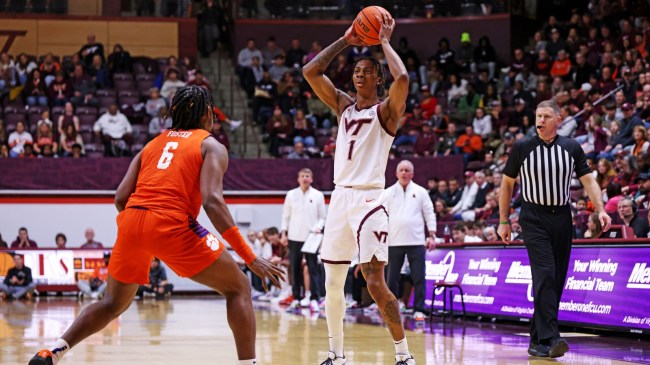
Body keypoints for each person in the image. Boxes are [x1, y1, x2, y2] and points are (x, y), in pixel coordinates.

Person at [28, 85, 284, 365]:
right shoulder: (211, 144)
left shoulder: (152, 144)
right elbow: (212, 202)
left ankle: (53, 352)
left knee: (111, 303)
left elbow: (120, 196)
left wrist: (145, 235)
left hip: (132, 221)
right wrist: (250, 257)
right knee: (238, 287)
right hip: (172, 224)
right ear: (208, 114)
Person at [303, 12, 416, 365]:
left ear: (377, 78)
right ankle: (336, 354)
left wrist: (382, 41)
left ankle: (403, 355)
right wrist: (346, 40)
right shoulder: (343, 106)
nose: (359, 74)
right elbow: (310, 72)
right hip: (339, 197)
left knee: (373, 281)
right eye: (356, 70)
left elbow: (404, 78)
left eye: (367, 70)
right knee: (331, 283)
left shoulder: (386, 113)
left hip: (369, 199)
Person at [498, 100, 612, 359]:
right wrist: (503, 221)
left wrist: (601, 209)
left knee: (556, 278)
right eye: (538, 116)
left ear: (558, 120)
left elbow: (588, 181)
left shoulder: (571, 147)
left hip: (562, 216)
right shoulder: (523, 147)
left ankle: (537, 340)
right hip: (533, 216)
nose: (540, 120)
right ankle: (552, 337)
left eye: (546, 116)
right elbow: (506, 185)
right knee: (546, 272)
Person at [384, 160, 436, 320]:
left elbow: (429, 212)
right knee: (391, 278)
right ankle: (392, 308)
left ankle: (419, 309)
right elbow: (381, 215)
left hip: (416, 241)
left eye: (407, 170)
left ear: (412, 174)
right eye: (401, 170)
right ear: (396, 173)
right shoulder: (388, 192)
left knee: (419, 276)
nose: (404, 173)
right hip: (394, 241)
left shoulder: (420, 191)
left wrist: (432, 234)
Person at [280, 168, 326, 311]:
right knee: (294, 268)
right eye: (302, 176)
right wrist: (283, 234)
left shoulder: (318, 195)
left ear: (311, 179)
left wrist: (318, 227)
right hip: (294, 237)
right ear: (298, 178)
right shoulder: (291, 194)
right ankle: (296, 298)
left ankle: (314, 298)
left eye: (307, 176)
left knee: (313, 268)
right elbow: (285, 216)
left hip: (311, 238)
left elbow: (322, 217)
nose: (305, 178)